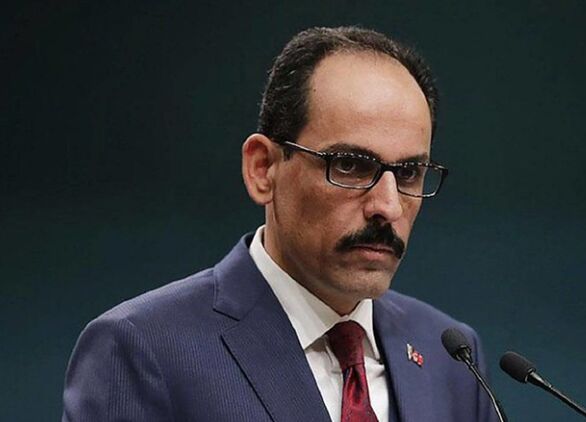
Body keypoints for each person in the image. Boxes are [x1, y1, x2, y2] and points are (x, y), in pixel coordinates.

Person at [63, 26, 496, 422]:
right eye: (349, 165)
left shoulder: (452, 357)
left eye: (409, 173)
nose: (388, 206)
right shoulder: (143, 350)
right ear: (263, 169)